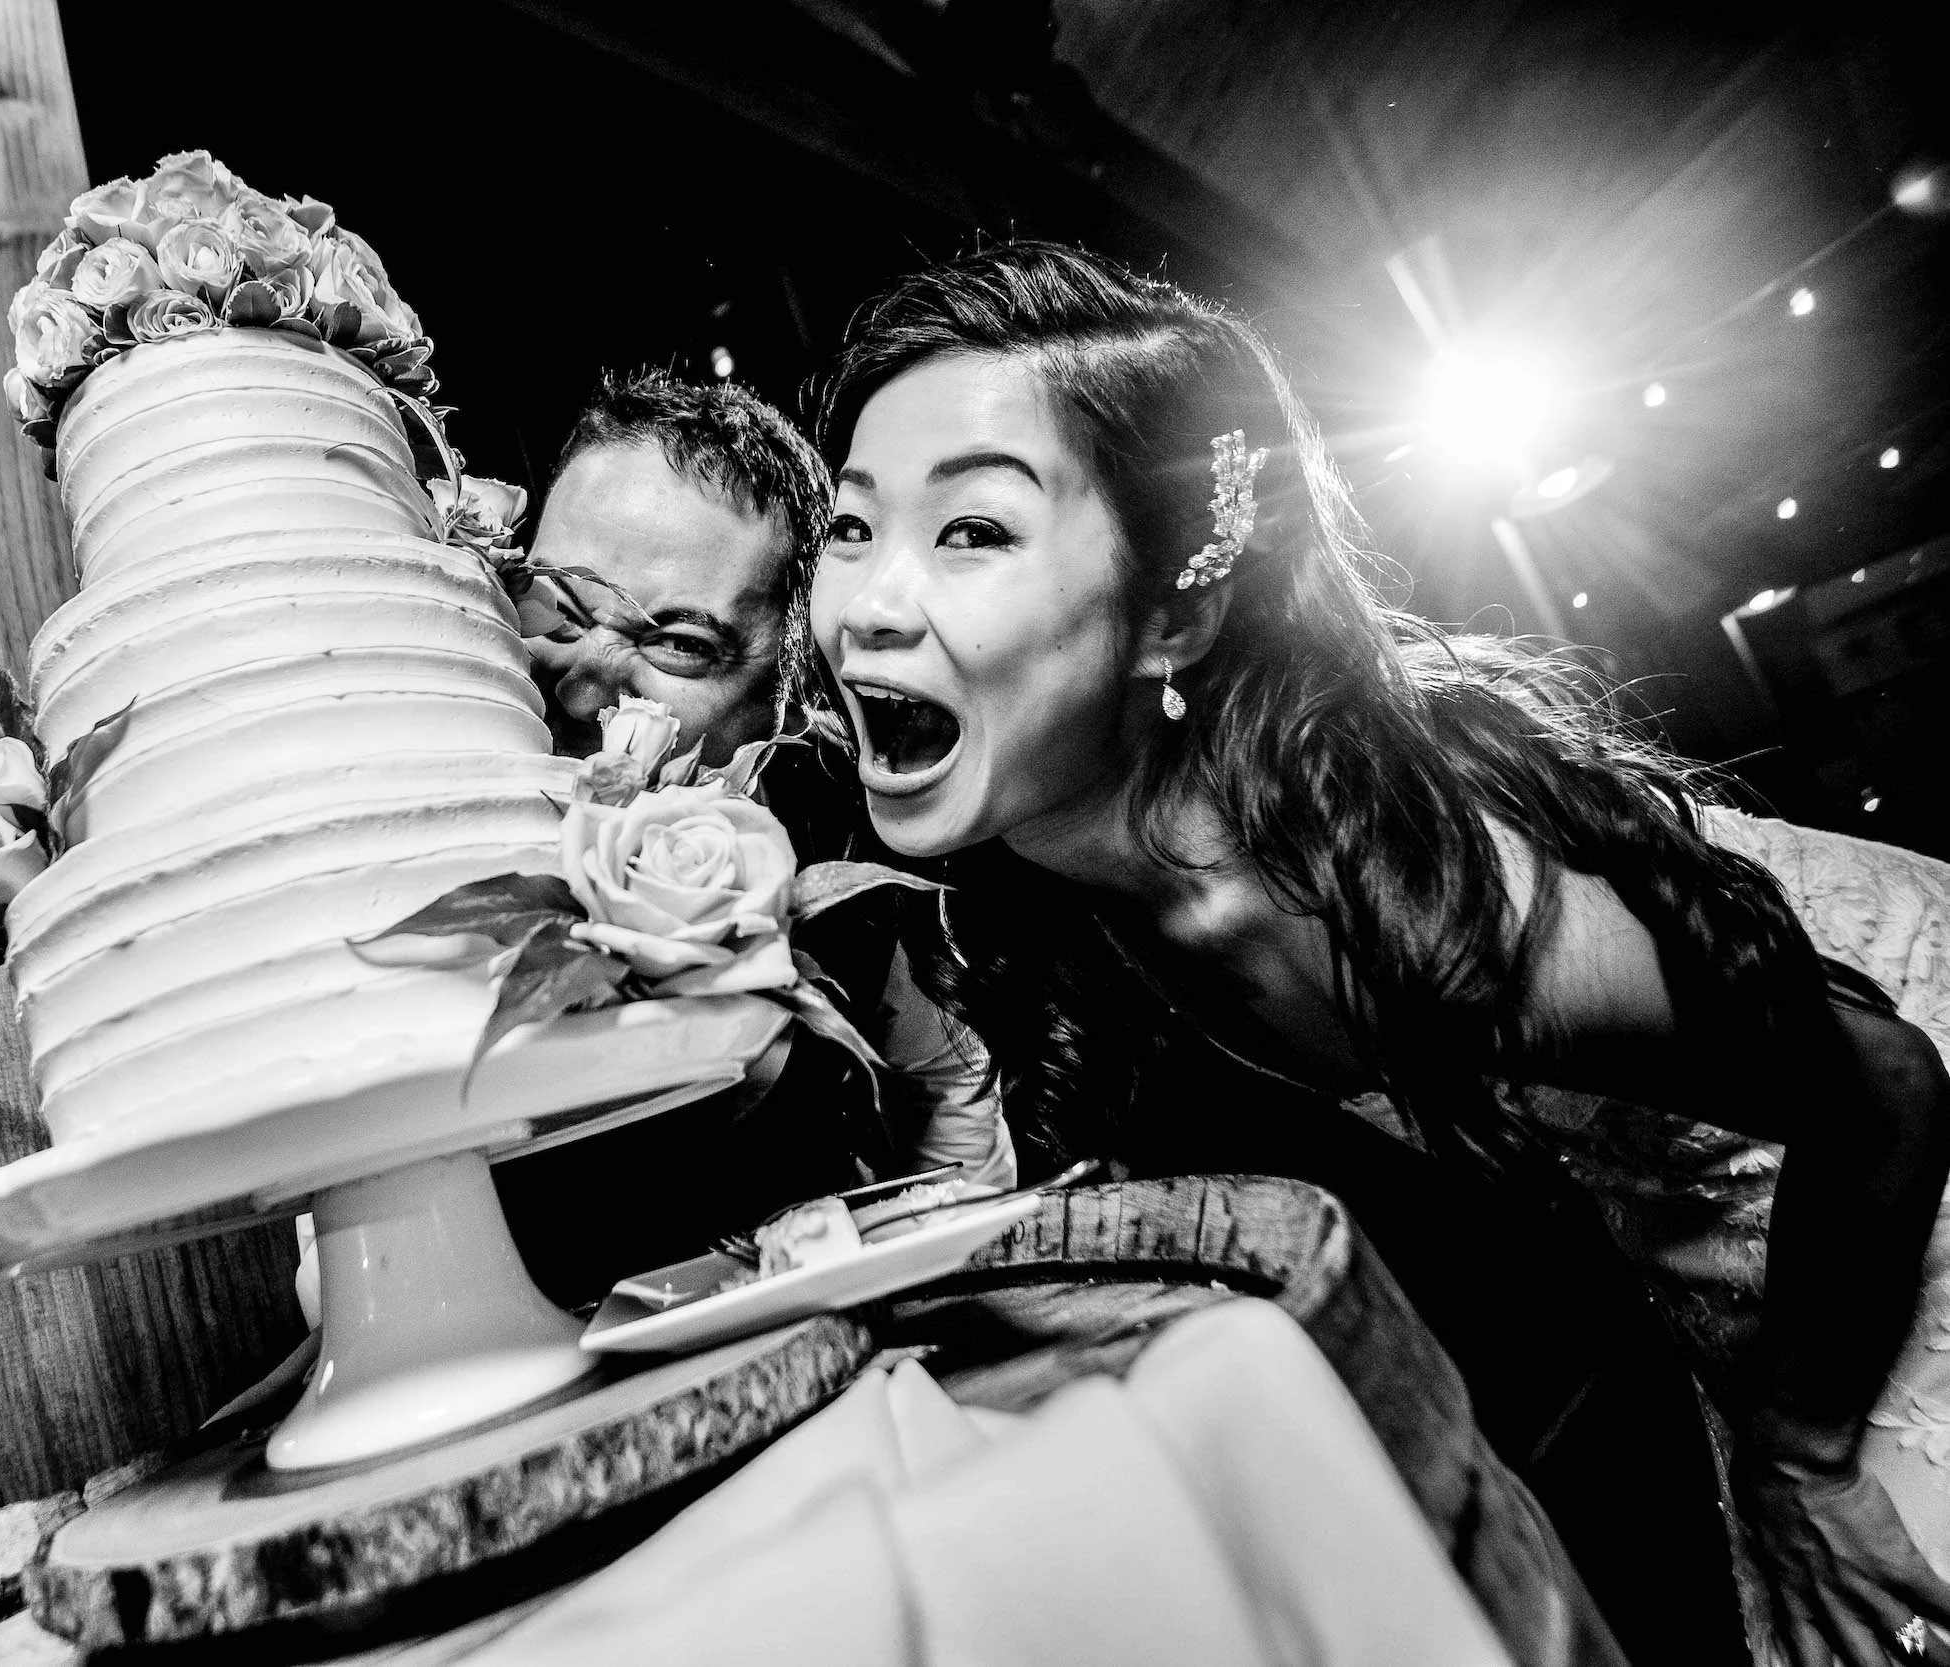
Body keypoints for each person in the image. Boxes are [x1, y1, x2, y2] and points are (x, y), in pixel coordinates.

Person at [802, 240, 1950, 1666]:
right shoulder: (1056, 887)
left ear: (1177, 612)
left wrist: (1806, 1452)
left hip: (1871, 1173)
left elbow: (1886, 1083)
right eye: (850, 526)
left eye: (972, 530)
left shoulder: (1339, 893)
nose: (865, 606)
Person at [491, 370, 1013, 1306]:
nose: (584, 679)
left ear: (794, 695)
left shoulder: (871, 928)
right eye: (556, 609)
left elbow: (960, 1209)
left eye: (680, 643)